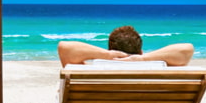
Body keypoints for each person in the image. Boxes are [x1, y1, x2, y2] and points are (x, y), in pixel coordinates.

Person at [57, 25, 193, 66]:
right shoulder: (156, 72)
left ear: (110, 49)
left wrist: (106, 55)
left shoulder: (92, 73)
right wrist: (143, 59)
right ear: (140, 51)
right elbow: (186, 49)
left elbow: (65, 47)